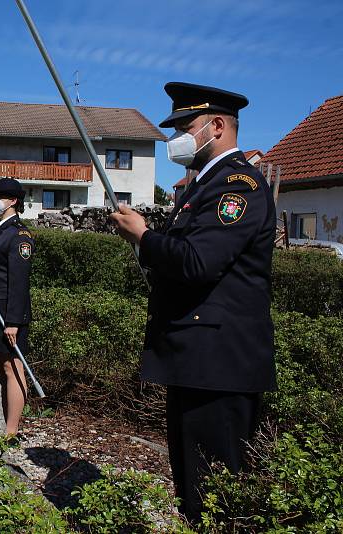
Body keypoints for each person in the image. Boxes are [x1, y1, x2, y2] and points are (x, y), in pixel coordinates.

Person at [110, 82, 276, 523]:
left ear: (217, 126)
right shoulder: (201, 188)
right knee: (192, 489)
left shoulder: (237, 186)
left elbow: (199, 262)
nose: (175, 139)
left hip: (219, 367)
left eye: (186, 126)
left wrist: (144, 237)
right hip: (196, 360)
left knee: (214, 497)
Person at [0, 178, 35, 436]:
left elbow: (19, 282)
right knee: (3, 367)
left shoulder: (19, 235)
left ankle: (11, 431)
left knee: (14, 368)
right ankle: (5, 423)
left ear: (13, 201)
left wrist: (13, 321)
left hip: (8, 315)